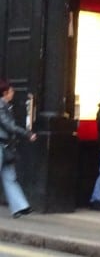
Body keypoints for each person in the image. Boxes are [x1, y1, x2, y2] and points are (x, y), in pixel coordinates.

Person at [0, 80, 36, 218]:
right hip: (1, 144)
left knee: (10, 177)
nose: (13, 93)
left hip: (6, 146)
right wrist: (27, 133)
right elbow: (8, 125)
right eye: (11, 91)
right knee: (10, 177)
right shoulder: (1, 107)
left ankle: (20, 206)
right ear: (5, 93)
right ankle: (20, 206)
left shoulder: (7, 106)